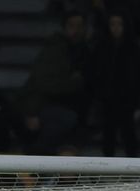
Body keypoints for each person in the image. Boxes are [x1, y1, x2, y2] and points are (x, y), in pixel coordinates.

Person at [20, 11, 88, 155]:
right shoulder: (56, 49)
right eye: (72, 25)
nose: (76, 30)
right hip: (47, 107)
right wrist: (32, 112)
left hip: (71, 107)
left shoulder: (83, 50)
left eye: (80, 26)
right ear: (64, 27)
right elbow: (41, 83)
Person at [89, 11, 140, 158]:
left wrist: (139, 98)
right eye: (112, 24)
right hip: (107, 99)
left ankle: (133, 164)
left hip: (128, 99)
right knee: (109, 133)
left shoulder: (134, 49)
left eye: (119, 24)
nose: (116, 28)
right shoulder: (100, 48)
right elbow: (94, 73)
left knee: (128, 132)